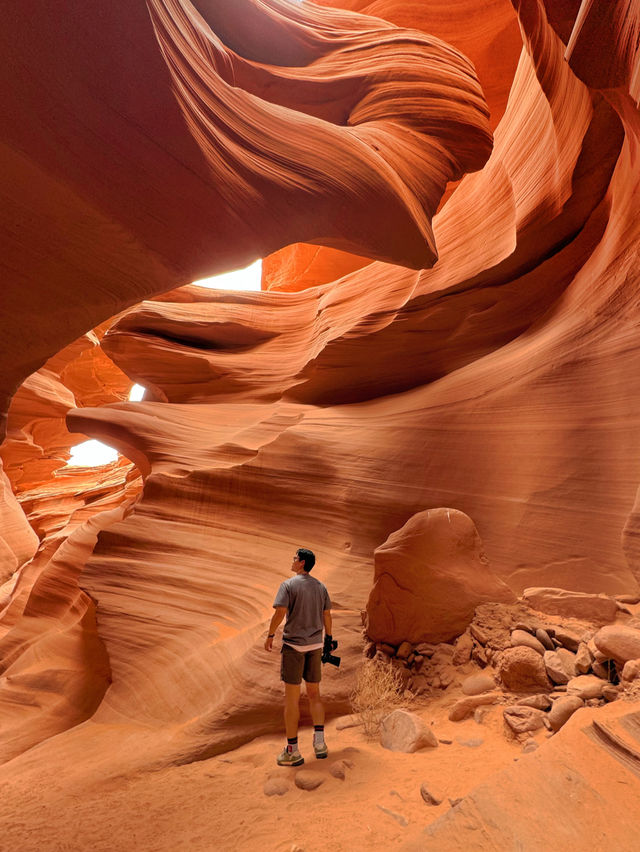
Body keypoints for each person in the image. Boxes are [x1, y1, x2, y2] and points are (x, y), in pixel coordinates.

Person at [265, 547, 333, 766]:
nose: (292, 561)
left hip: (294, 646)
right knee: (315, 695)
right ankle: (320, 744)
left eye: (294, 558)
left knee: (292, 700)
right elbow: (327, 615)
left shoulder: (288, 585)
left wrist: (270, 634)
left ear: (302, 562)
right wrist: (328, 639)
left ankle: (293, 751)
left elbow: (280, 612)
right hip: (315, 645)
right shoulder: (320, 587)